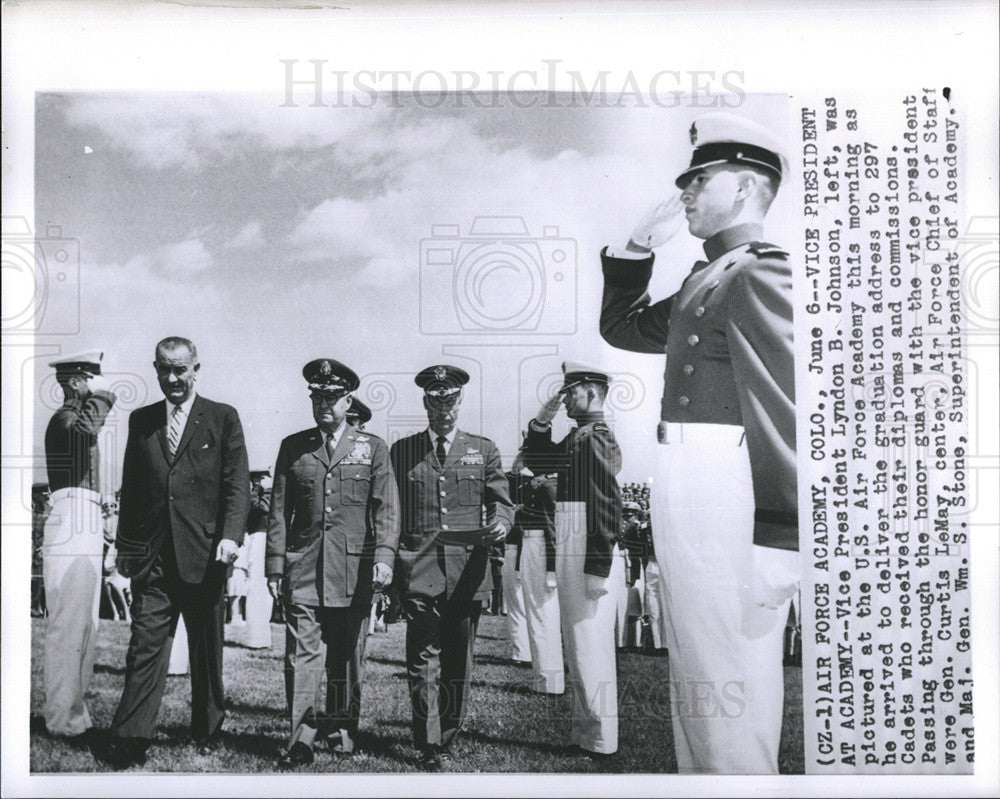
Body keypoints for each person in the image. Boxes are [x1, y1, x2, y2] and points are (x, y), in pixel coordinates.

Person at [600, 112, 799, 773]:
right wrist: (636, 246)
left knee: (731, 673)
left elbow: (781, 410)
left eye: (699, 179)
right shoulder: (703, 278)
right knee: (695, 673)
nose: (684, 192)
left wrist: (781, 536)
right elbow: (622, 330)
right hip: (686, 483)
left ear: (744, 188)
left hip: (727, 489)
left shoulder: (759, 274)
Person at [106, 337, 250, 768]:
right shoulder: (142, 420)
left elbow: (237, 485)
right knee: (145, 645)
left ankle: (207, 728)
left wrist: (230, 536)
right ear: (155, 368)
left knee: (207, 649)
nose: (172, 379)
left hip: (206, 556)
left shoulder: (222, 418)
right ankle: (131, 736)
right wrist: (125, 550)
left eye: (180, 370)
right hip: (153, 558)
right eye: (164, 370)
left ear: (196, 368)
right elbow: (132, 489)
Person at [265, 358, 399, 769]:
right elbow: (278, 510)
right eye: (317, 396)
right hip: (303, 568)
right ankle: (301, 738)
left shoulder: (372, 447)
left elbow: (386, 509)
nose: (324, 404)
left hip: (354, 571)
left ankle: (341, 729)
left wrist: (384, 559)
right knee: (302, 657)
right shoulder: (293, 446)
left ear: (348, 399)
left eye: (332, 397)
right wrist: (274, 565)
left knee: (346, 656)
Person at [389, 365, 513, 771]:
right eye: (435, 400)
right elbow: (393, 513)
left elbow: (500, 499)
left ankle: (447, 733)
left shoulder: (484, 449)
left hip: (467, 573)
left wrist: (501, 522)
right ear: (425, 402)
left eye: (450, 400)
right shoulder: (403, 451)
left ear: (460, 402)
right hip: (419, 569)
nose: (443, 408)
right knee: (422, 659)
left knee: (458, 661)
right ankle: (428, 743)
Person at [522, 361, 624, 757]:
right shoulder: (579, 435)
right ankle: (589, 733)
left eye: (571, 393)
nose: (564, 400)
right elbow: (542, 463)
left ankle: (600, 737)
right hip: (571, 530)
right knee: (578, 642)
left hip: (583, 536)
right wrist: (541, 423)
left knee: (588, 642)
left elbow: (605, 503)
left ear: (592, 392)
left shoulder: (595, 436)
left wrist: (599, 565)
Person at [41, 351, 117, 742]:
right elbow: (87, 430)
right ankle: (61, 719)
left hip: (81, 514)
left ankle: (74, 714)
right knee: (69, 625)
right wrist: (103, 396)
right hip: (71, 515)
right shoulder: (67, 418)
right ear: (75, 383)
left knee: (85, 624)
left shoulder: (73, 417)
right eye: (92, 382)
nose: (98, 390)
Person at [508, 457, 564, 695]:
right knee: (537, 613)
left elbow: (552, 528)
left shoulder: (548, 487)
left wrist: (551, 567)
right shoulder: (539, 485)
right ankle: (544, 679)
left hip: (540, 546)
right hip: (530, 543)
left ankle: (549, 681)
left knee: (543, 613)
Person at [501, 471, 530, 663]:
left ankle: (521, 652)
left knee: (516, 605)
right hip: (526, 552)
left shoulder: (517, 512)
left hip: (515, 552)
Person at [243, 469, 273, 649]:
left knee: (260, 590)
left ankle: (259, 637)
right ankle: (257, 637)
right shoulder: (259, 494)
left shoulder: (262, 494)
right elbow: (259, 508)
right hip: (258, 539)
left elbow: (262, 508)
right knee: (256, 589)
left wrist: (260, 489)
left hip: (262, 539)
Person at [31, 482, 51, 617]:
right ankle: (36, 608)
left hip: (46, 550)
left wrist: (44, 548)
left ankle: (46, 610)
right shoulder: (35, 510)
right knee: (36, 580)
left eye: (34, 495)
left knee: (47, 581)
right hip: (34, 549)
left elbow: (54, 534)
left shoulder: (51, 511)